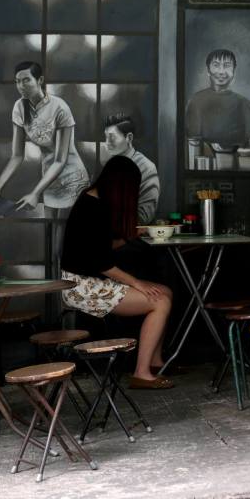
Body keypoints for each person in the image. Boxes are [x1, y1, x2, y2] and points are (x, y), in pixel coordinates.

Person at [60, 156, 174, 389]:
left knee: (165, 292)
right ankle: (142, 373)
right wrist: (137, 283)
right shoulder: (92, 207)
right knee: (160, 301)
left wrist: (131, 236)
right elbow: (101, 262)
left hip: (90, 281)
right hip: (80, 287)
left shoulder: (94, 201)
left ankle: (155, 362)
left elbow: (99, 247)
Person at [0, 61, 89, 214]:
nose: (21, 86)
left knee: (67, 228)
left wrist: (35, 193)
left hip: (72, 177)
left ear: (40, 80)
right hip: (48, 179)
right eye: (18, 81)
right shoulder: (19, 108)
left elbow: (60, 160)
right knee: (49, 227)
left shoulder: (60, 107)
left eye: (26, 80)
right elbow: (17, 156)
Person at [186, 49, 250, 150]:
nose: (221, 71)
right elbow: (193, 140)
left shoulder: (245, 104)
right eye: (216, 65)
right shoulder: (196, 101)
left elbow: (249, 142)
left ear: (234, 71)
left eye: (227, 65)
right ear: (208, 70)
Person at [103, 114, 159, 224]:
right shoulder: (111, 165)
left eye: (112, 137)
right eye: (106, 137)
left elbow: (144, 215)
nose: (107, 143)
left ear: (129, 138)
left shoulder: (146, 167)